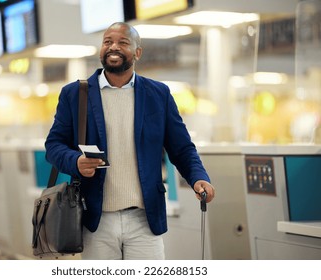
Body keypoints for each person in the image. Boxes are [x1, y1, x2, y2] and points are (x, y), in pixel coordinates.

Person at [45, 22, 215, 260]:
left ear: (137, 52)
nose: (113, 47)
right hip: (96, 219)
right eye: (107, 42)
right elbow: (53, 146)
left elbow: (182, 148)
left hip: (144, 220)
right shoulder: (76, 94)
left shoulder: (159, 95)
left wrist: (199, 177)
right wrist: (75, 161)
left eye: (122, 42)